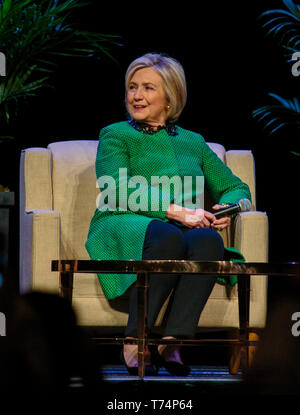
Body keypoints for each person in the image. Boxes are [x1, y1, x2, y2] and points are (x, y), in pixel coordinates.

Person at [85, 53, 251, 376]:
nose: (137, 95)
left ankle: (171, 341)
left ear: (170, 97)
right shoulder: (116, 134)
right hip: (124, 220)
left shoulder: (193, 142)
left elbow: (238, 188)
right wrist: (178, 212)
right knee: (168, 234)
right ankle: (135, 339)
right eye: (132, 87)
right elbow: (115, 190)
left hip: (178, 228)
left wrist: (226, 209)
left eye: (148, 88)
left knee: (207, 241)